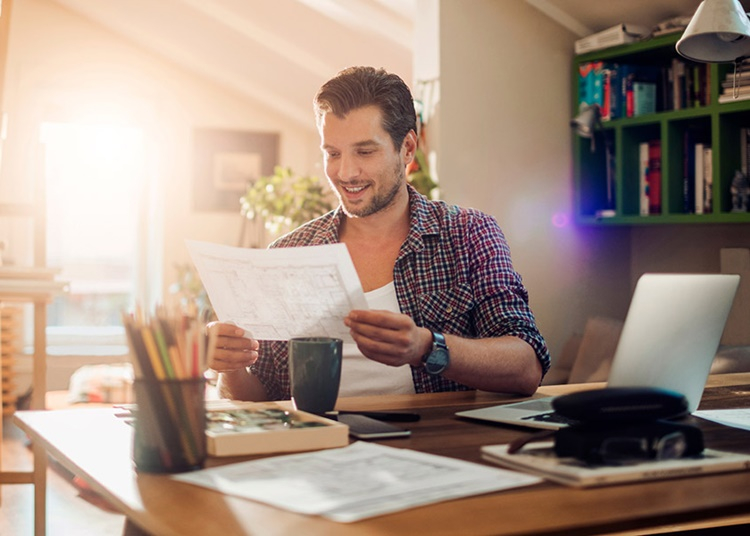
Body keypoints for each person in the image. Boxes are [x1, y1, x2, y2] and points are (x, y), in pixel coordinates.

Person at [208, 66, 550, 401]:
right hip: (316, 447)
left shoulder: (468, 235)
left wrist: (426, 348)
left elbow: (526, 368)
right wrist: (231, 367)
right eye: (333, 153)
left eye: (365, 151)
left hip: (430, 444)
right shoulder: (287, 254)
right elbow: (261, 397)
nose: (346, 172)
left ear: (408, 150)